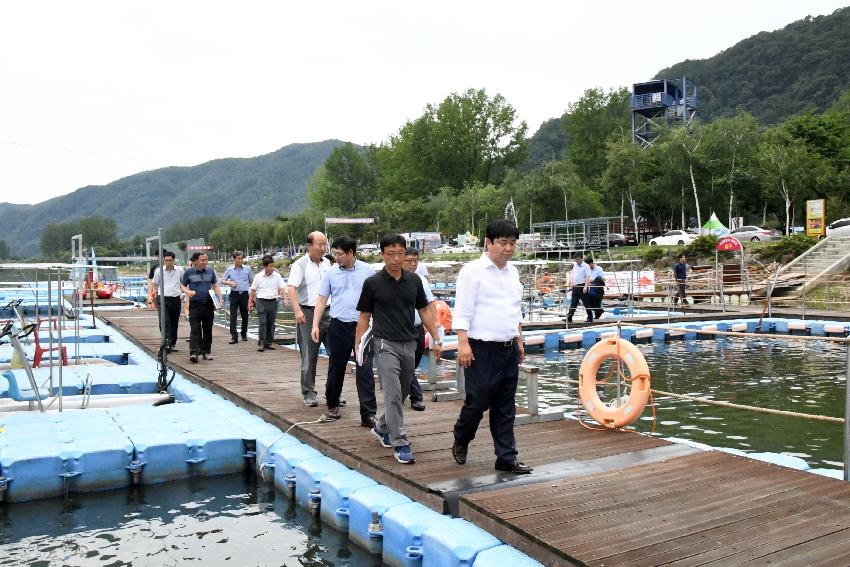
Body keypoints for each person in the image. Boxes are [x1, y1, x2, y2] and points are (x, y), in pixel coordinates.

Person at [451, 219, 532, 475]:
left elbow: (514, 311)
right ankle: (462, 436)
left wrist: (518, 339)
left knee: (505, 404)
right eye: (503, 243)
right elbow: (462, 310)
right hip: (480, 347)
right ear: (489, 242)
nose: (508, 248)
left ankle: (506, 457)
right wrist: (462, 343)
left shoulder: (513, 273)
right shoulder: (472, 271)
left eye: (512, 243)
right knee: (478, 400)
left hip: (508, 347)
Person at [355, 235, 442, 464]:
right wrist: (358, 347)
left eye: (400, 254)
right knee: (393, 393)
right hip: (384, 343)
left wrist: (436, 337)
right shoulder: (372, 283)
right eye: (390, 254)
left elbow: (424, 310)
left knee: (402, 391)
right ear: (382, 255)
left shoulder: (414, 281)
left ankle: (382, 427)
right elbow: (364, 316)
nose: (395, 259)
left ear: (406, 254)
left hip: (410, 342)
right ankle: (400, 442)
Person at [311, 236, 376, 425]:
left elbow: (376, 299)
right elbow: (322, 299)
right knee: (336, 368)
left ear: (351, 253)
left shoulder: (368, 271)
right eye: (335, 254)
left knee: (364, 370)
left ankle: (368, 414)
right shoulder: (331, 274)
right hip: (338, 325)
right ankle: (332, 403)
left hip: (362, 327)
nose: (336, 257)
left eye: (340, 254)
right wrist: (315, 324)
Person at [287, 231, 332, 406]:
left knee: (335, 353)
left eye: (325, 244)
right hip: (308, 311)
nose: (323, 248)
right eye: (319, 244)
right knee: (309, 355)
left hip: (329, 312)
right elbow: (292, 289)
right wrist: (297, 311)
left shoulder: (328, 262)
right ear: (309, 245)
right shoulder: (300, 264)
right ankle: (308, 392)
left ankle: (332, 392)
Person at [403, 248, 439, 411]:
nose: (412, 264)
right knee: (407, 364)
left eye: (415, 261)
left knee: (413, 363)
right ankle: (416, 397)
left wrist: (434, 326)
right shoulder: (393, 279)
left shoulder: (420, 280)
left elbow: (429, 304)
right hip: (400, 330)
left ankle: (403, 389)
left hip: (417, 328)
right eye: (409, 260)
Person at [180, 252, 223, 363]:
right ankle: (194, 353)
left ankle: (206, 352)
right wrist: (188, 292)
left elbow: (215, 285)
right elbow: (182, 285)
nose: (205, 262)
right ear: (195, 261)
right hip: (195, 304)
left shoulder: (211, 271)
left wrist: (220, 298)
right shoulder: (189, 272)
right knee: (195, 329)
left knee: (208, 330)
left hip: (208, 304)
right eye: (202, 260)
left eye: (206, 260)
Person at [147, 250, 184, 353]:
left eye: (170, 260)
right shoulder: (159, 271)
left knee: (174, 322)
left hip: (176, 298)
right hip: (163, 298)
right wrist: (153, 294)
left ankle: (172, 343)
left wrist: (183, 294)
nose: (168, 262)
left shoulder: (180, 270)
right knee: (164, 321)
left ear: (174, 260)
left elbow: (183, 282)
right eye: (166, 260)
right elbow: (155, 283)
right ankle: (166, 342)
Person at [248, 256, 287, 352]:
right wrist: (250, 302)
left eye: (273, 266)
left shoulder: (277, 276)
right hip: (261, 301)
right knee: (263, 322)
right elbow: (253, 290)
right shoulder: (258, 276)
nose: (272, 268)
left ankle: (269, 342)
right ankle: (261, 343)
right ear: (264, 267)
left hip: (273, 302)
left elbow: (282, 287)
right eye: (270, 266)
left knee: (271, 323)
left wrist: (285, 298)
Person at [222, 251, 253, 344]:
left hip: (244, 294)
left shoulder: (248, 269)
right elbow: (222, 280)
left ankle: (244, 334)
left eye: (241, 258)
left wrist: (252, 296)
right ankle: (234, 337)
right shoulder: (230, 269)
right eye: (238, 258)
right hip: (234, 295)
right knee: (233, 316)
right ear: (234, 259)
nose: (240, 260)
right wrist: (229, 282)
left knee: (245, 315)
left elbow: (252, 282)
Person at [566, 252, 592, 323]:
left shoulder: (586, 266)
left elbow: (588, 277)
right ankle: (569, 317)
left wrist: (586, 287)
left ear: (581, 258)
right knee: (573, 302)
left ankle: (590, 317)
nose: (577, 261)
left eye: (578, 259)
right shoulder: (575, 265)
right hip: (575, 286)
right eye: (576, 260)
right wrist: (570, 281)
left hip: (582, 285)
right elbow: (573, 273)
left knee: (586, 302)